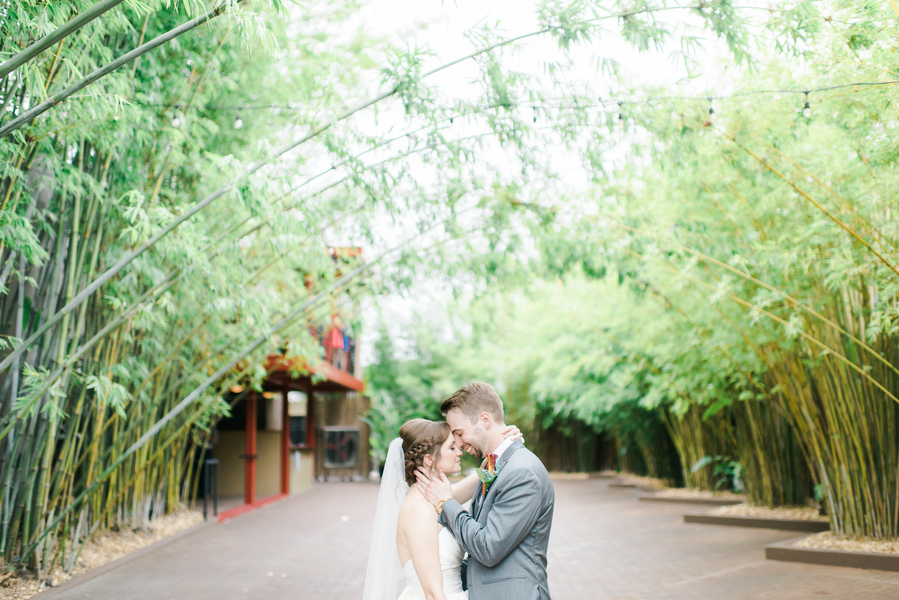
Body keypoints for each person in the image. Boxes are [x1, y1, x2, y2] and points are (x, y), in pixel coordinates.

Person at [416, 382, 554, 600]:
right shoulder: (496, 466)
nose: (459, 444)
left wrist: (446, 503)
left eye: (459, 434)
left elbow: (489, 549)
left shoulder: (522, 472)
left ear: (485, 420)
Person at [362, 417, 523, 600]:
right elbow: (432, 593)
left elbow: (486, 473)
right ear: (429, 459)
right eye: (452, 447)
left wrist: (506, 442)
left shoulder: (435, 497)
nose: (459, 452)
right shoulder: (418, 512)